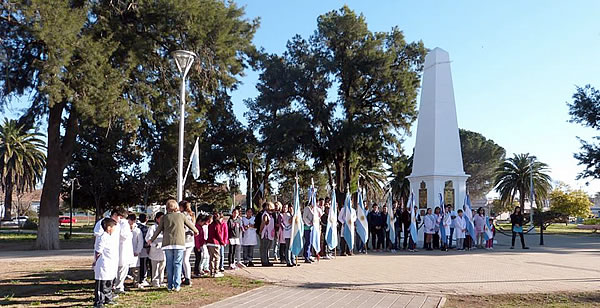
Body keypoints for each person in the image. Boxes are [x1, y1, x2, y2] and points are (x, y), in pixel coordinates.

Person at [147, 199, 199, 292]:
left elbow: (158, 230)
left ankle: (170, 285)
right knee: (178, 264)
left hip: (167, 243)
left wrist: (151, 240)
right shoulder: (181, 216)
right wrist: (196, 231)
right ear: (176, 207)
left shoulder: (164, 217)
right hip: (179, 243)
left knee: (169, 264)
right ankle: (177, 285)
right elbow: (190, 225)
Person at [93, 218, 119, 308]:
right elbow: (98, 251)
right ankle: (99, 302)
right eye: (113, 227)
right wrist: (95, 261)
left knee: (108, 282)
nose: (114, 229)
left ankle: (108, 298)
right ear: (108, 228)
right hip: (103, 264)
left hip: (110, 263)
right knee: (101, 283)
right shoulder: (102, 237)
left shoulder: (110, 237)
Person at [114, 212, 134, 294]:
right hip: (122, 250)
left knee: (122, 270)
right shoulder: (123, 223)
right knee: (122, 270)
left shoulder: (121, 223)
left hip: (124, 249)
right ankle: (118, 286)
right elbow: (125, 235)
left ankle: (119, 286)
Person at [146, 212, 165, 287]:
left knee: (162, 267)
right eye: (161, 218)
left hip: (163, 250)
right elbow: (148, 238)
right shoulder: (152, 227)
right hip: (155, 249)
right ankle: (155, 281)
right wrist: (154, 245)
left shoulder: (165, 227)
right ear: (157, 219)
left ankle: (161, 281)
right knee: (155, 267)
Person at [179, 201, 196, 286]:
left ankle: (184, 277)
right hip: (191, 240)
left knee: (182, 260)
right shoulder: (192, 215)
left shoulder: (183, 215)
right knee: (186, 260)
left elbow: (184, 228)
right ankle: (187, 277)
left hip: (184, 240)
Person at [206, 211, 226, 277]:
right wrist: (222, 242)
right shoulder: (217, 225)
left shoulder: (210, 225)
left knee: (211, 258)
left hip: (209, 243)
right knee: (217, 257)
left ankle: (211, 271)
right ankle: (216, 271)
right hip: (215, 243)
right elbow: (218, 235)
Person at [129, 214, 144, 288]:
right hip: (126, 252)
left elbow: (140, 242)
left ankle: (136, 282)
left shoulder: (137, 230)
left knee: (135, 269)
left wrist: (138, 251)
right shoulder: (124, 229)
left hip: (135, 252)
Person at [194, 213, 211, 277]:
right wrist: (198, 246)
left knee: (201, 257)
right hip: (198, 246)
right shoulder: (196, 227)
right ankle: (196, 271)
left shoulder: (200, 227)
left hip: (201, 244)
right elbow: (196, 238)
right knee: (198, 259)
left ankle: (199, 270)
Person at [136, 213, 151, 288]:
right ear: (146, 219)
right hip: (144, 249)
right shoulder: (145, 228)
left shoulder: (136, 226)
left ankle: (138, 278)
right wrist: (148, 248)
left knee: (139, 264)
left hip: (136, 248)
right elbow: (146, 239)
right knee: (144, 264)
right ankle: (143, 279)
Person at [259, 202, 275, 266]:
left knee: (267, 248)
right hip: (266, 234)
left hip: (270, 234)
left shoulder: (270, 215)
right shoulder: (265, 215)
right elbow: (263, 223)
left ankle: (267, 260)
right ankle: (264, 261)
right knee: (264, 248)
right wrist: (260, 230)